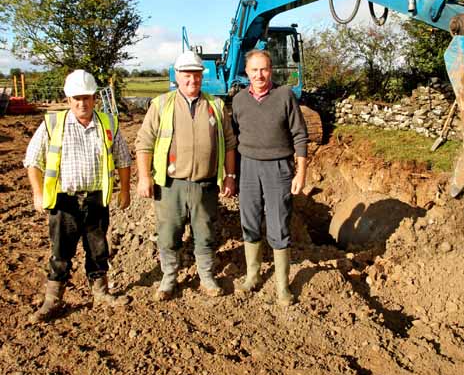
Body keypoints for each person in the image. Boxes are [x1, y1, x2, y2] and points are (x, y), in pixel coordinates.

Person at [24, 69, 132, 323]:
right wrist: (38, 193)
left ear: (94, 98)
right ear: (68, 99)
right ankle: (53, 299)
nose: (82, 103)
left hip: (96, 198)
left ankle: (101, 291)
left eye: (87, 98)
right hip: (65, 201)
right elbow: (32, 160)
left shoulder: (108, 124)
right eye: (76, 99)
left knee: (97, 248)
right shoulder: (52, 124)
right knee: (61, 251)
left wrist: (125, 190)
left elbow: (124, 159)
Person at [135, 49, 237, 300]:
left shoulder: (216, 105)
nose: (192, 81)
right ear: (177, 76)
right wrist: (145, 177)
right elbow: (143, 143)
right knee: (169, 234)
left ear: (203, 76)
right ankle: (169, 278)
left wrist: (230, 176)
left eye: (197, 75)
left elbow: (230, 143)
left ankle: (206, 277)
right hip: (171, 185)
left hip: (206, 185)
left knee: (205, 234)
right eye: (187, 76)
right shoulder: (161, 104)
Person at [232, 49, 308, 306]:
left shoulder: (284, 95)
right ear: (246, 72)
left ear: (271, 70)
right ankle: (253, 275)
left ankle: (282, 286)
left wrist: (301, 172)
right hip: (249, 167)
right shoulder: (239, 100)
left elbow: (299, 134)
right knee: (250, 221)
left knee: (278, 223)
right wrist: (230, 173)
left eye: (264, 69)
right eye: (254, 70)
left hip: (278, 168)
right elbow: (233, 138)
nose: (259, 74)